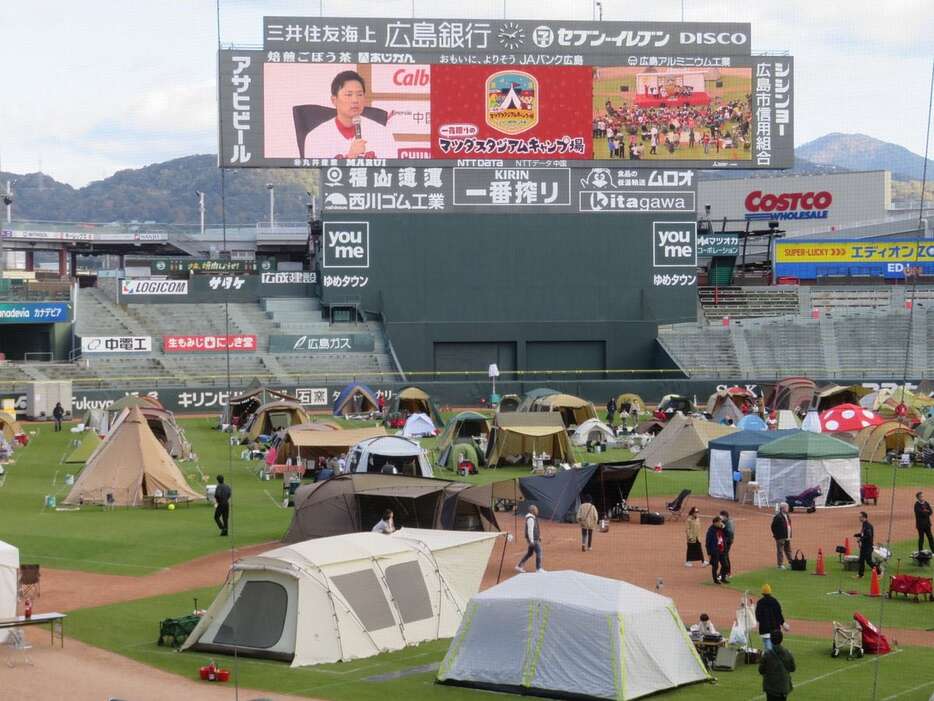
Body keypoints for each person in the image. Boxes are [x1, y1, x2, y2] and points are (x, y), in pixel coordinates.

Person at [304, 70, 399, 160]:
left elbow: (391, 173)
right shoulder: (316, 138)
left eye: (359, 94)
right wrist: (350, 157)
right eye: (349, 95)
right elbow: (316, 176)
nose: (355, 100)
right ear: (334, 100)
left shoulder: (382, 134)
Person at [758, 628, 795, 701]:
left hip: (771, 688)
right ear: (782, 639)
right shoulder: (787, 653)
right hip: (783, 687)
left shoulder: (767, 655)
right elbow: (792, 668)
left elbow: (761, 670)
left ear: (771, 640)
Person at [755, 584, 788, 652]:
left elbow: (758, 617)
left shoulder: (760, 602)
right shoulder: (775, 601)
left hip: (764, 629)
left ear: (763, 593)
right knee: (775, 648)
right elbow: (779, 614)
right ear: (770, 592)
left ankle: (770, 659)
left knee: (768, 649)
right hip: (775, 629)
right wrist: (783, 623)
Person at [515, 505, 544, 573]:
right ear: (532, 511)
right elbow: (530, 530)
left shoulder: (532, 518)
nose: (537, 511)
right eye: (536, 509)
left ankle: (519, 566)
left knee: (529, 553)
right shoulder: (530, 519)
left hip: (534, 538)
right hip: (533, 540)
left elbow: (534, 530)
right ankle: (538, 568)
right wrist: (531, 541)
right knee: (539, 552)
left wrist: (538, 536)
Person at [771, 502, 793, 569]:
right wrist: (776, 535)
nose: (788, 508)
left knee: (788, 550)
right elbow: (773, 527)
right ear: (783, 508)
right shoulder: (778, 516)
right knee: (780, 551)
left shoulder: (787, 515)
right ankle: (780, 565)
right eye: (787, 507)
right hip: (780, 537)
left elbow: (788, 524)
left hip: (787, 535)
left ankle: (791, 563)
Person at [706, 516, 727, 584]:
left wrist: (724, 528)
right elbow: (707, 543)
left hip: (722, 549)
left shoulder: (721, 528)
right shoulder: (710, 531)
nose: (721, 523)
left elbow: (726, 535)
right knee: (715, 566)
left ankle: (723, 578)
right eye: (719, 522)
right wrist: (709, 553)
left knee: (725, 565)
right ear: (715, 522)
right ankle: (715, 580)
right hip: (715, 550)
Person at [855, 511, 875, 578]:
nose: (859, 518)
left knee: (869, 561)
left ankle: (879, 572)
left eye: (860, 517)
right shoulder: (864, 524)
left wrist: (860, 539)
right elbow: (864, 534)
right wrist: (858, 535)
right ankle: (860, 575)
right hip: (864, 546)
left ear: (864, 517)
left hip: (868, 546)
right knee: (861, 560)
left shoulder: (868, 526)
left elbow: (868, 536)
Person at [720, 509, 735, 582]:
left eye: (722, 516)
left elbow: (729, 533)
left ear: (725, 516)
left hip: (727, 542)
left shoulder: (728, 523)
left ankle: (724, 573)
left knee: (724, 556)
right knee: (726, 556)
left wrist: (723, 527)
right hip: (727, 541)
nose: (721, 517)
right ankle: (728, 572)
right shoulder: (727, 521)